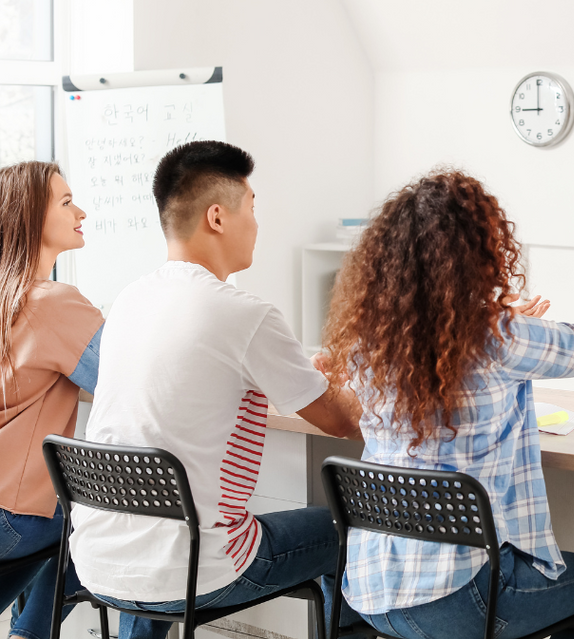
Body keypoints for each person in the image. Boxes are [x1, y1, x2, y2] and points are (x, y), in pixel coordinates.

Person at [318, 134, 574, 639]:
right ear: (481, 253)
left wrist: (491, 320)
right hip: (464, 599)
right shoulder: (500, 338)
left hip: (367, 592)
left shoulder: (370, 343)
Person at [67, 141, 363, 639]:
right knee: (345, 527)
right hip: (199, 569)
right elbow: (344, 421)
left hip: (99, 558)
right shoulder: (243, 314)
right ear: (218, 217)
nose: (257, 223)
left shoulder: (129, 300)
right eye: (253, 207)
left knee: (165, 529)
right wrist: (341, 379)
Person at [0, 162, 103, 639]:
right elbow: (124, 382)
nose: (80, 211)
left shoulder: (8, 297)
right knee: (110, 521)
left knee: (75, 520)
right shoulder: (52, 302)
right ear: (29, 218)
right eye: (66, 202)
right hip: (15, 513)